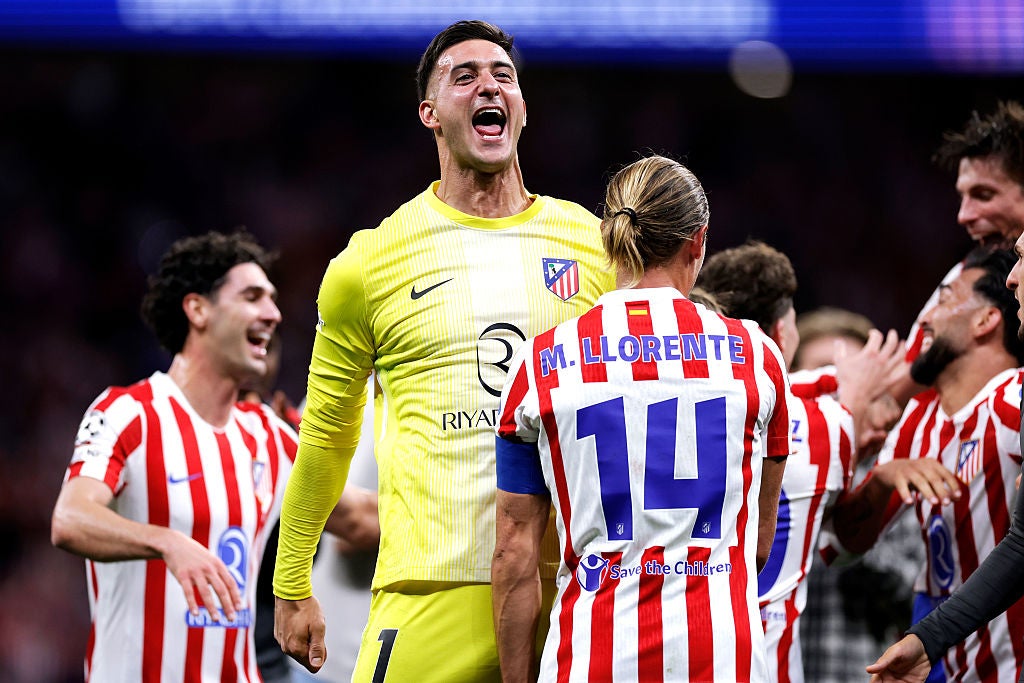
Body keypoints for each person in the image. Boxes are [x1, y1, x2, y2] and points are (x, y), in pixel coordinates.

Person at [272, 19, 616, 682]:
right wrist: (291, 580)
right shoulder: (369, 263)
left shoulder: (595, 247)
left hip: (572, 588)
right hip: (428, 593)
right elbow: (327, 432)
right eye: (465, 77)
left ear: (520, 109)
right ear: (430, 113)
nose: (489, 85)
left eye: (503, 77)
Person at [490, 155, 791, 682]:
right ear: (697, 242)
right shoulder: (757, 355)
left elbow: (513, 556)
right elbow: (760, 546)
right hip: (723, 659)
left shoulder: (541, 364)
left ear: (610, 240)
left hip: (593, 658)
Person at [50, 230, 297, 681]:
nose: (273, 313)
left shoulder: (269, 435)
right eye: (252, 296)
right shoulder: (129, 413)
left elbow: (358, 517)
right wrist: (167, 542)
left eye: (274, 299)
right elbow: (70, 519)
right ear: (198, 309)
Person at [696, 241, 900, 683]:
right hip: (769, 666)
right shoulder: (830, 426)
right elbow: (841, 545)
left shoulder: (671, 417)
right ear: (784, 335)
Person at [829, 246, 1024, 683]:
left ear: (984, 320)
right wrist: (882, 480)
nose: (927, 319)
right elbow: (844, 546)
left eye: (946, 297)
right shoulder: (918, 421)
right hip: (942, 661)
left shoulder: (1012, 400)